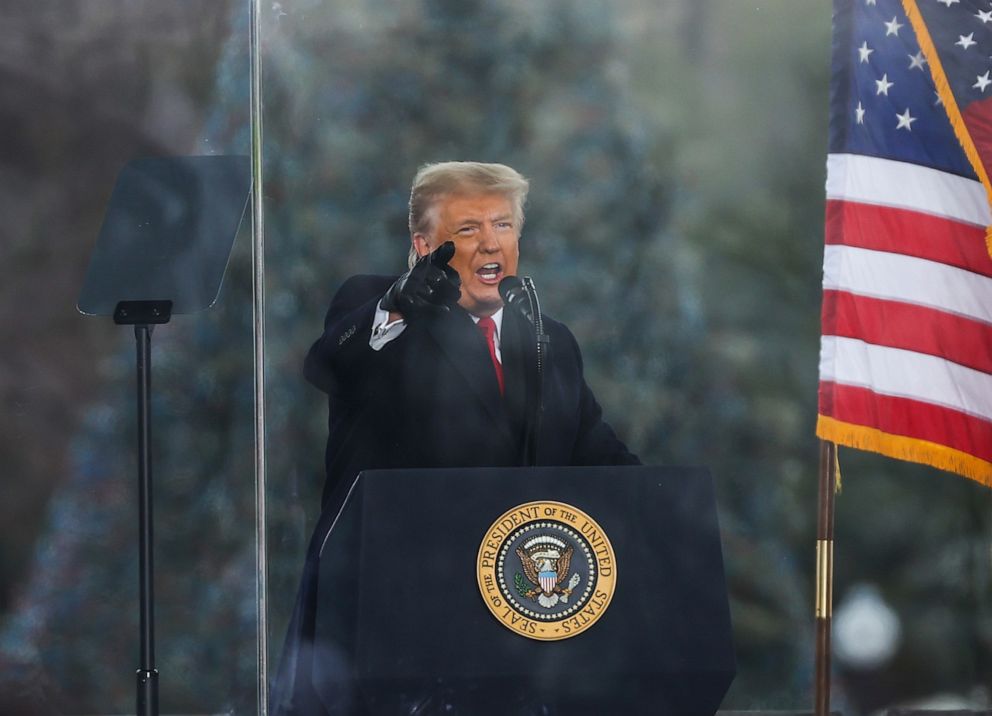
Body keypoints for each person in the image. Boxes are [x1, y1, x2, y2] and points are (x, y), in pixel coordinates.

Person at [272, 161, 638, 715]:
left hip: (515, 626)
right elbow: (330, 366)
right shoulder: (380, 309)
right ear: (424, 245)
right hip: (387, 619)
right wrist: (396, 304)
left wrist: (662, 507)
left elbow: (594, 449)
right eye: (468, 229)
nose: (491, 242)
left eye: (503, 224)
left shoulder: (548, 339)